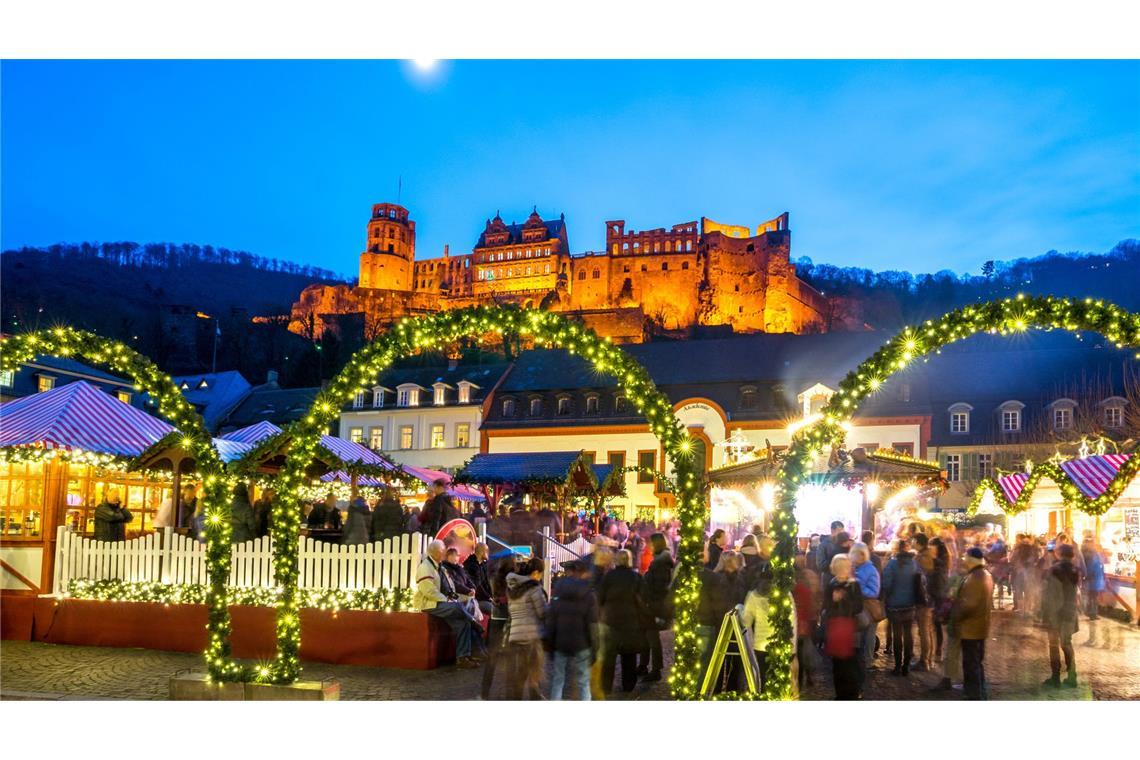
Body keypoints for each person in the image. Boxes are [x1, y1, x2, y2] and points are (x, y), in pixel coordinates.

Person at [413, 539, 481, 668]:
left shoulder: (441, 567)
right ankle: (473, 621)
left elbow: (450, 585)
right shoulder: (425, 567)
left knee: (463, 623)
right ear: (435, 552)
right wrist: (447, 600)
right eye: (442, 551)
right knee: (457, 607)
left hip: (442, 602)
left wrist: (452, 597)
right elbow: (429, 592)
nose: (444, 553)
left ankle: (463, 657)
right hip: (430, 603)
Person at [546, 560, 598, 700]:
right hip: (582, 643)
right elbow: (592, 624)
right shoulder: (588, 594)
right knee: (583, 682)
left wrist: (550, 645)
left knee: (558, 680)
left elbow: (551, 622)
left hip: (560, 642)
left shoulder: (558, 594)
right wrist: (594, 647)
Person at [598, 549, 644, 694]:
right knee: (629, 655)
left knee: (609, 655)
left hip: (611, 619)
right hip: (630, 620)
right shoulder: (636, 577)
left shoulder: (608, 576)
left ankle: (606, 685)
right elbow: (642, 599)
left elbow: (600, 597)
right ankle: (628, 685)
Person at [952, 547, 994, 700]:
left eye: (965, 556)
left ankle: (974, 694)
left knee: (971, 663)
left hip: (971, 628)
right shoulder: (984, 574)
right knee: (976, 662)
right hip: (979, 626)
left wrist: (956, 615)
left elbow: (969, 605)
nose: (963, 559)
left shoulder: (975, 577)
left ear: (971, 559)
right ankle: (978, 691)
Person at [823, 553, 864, 700]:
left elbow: (858, 607)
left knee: (850, 662)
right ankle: (840, 694)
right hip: (835, 627)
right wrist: (833, 601)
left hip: (850, 628)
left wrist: (844, 598)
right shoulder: (831, 584)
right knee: (837, 663)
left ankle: (852, 693)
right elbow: (826, 607)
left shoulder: (854, 585)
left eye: (846, 567)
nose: (845, 570)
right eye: (842, 567)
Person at [506, 557, 547, 699]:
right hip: (531, 636)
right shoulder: (534, 589)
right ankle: (535, 699)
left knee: (521, 673)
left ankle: (516, 699)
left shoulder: (513, 589)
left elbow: (511, 612)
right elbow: (542, 613)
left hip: (515, 636)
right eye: (541, 574)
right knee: (534, 672)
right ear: (535, 572)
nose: (540, 577)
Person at [882, 538, 923, 676]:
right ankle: (906, 666)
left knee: (897, 635)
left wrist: (887, 596)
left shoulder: (892, 564)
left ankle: (898, 665)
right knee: (908, 634)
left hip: (895, 605)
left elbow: (886, 584)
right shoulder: (914, 563)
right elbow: (921, 581)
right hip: (910, 605)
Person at [1041, 543, 1080, 689]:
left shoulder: (1054, 570)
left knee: (1053, 645)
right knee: (1067, 643)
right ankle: (1072, 676)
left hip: (1056, 613)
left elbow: (1051, 595)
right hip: (1070, 611)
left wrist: (1046, 614)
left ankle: (1055, 677)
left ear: (1059, 554)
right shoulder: (1075, 570)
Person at [640, 532, 674, 683]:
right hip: (653, 605)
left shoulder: (660, 564)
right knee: (648, 636)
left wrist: (649, 601)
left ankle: (656, 670)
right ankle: (644, 665)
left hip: (655, 606)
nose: (649, 546)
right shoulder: (661, 562)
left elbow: (659, 588)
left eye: (651, 543)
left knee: (652, 638)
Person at [480, 558, 514, 700]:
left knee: (492, 658)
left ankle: (484, 693)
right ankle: (509, 693)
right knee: (510, 658)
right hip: (508, 619)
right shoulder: (513, 581)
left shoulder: (494, 579)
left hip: (495, 618)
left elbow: (494, 596)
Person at [851, 542, 881, 675]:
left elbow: (874, 592)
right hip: (858, 607)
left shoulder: (870, 569)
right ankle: (859, 660)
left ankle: (868, 661)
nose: (853, 557)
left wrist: (858, 588)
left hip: (868, 607)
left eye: (855, 554)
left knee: (869, 635)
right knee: (858, 635)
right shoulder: (855, 568)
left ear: (863, 555)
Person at [793, 554, 820, 689]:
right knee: (807, 649)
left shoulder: (795, 583)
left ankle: (800, 679)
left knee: (800, 651)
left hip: (800, 621)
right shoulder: (811, 575)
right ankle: (808, 676)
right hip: (809, 619)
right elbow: (817, 594)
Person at [912, 533, 935, 670]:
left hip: (924, 598)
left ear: (917, 541)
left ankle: (924, 661)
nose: (911, 542)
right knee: (927, 629)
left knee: (924, 630)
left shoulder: (923, 557)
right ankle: (928, 659)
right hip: (927, 597)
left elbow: (920, 577)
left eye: (913, 540)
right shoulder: (928, 554)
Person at [928, 537, 951, 663]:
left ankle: (938, 651)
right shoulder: (942, 559)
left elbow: (936, 577)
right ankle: (937, 651)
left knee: (937, 624)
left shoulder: (939, 561)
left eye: (931, 546)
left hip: (938, 594)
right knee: (936, 624)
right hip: (939, 593)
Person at [463, 542, 494, 615]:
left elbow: (486, 583)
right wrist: (488, 598)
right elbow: (477, 586)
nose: (488, 553)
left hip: (484, 598)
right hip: (475, 599)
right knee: (495, 611)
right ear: (482, 552)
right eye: (487, 551)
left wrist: (492, 596)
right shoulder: (470, 565)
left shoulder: (482, 565)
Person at [1081, 538, 1105, 620]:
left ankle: (1092, 613)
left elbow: (1099, 566)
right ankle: (1092, 613)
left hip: (1095, 580)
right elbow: (1093, 567)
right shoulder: (1093, 555)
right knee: (1092, 597)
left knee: (1093, 597)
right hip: (1093, 580)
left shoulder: (1094, 554)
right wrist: (1088, 576)